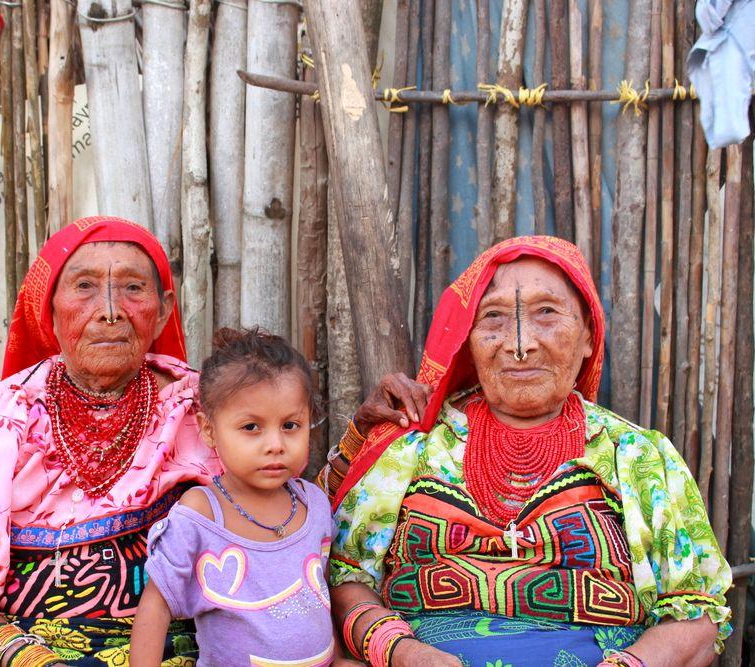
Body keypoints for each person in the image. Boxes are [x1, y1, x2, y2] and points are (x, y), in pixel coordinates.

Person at [324, 236, 732, 667]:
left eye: (547, 313)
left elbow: (700, 615)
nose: (520, 344)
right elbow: (343, 577)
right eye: (493, 317)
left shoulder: (636, 455)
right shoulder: (411, 446)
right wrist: (403, 653)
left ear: (590, 335)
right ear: (468, 339)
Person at [0, 217, 221, 666]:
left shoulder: (201, 408)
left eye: (133, 288)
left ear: (164, 308)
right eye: (84, 286)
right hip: (26, 648)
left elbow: (271, 516)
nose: (110, 310)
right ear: (49, 308)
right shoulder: (6, 415)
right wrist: (21, 657)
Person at [130, 328, 354, 667]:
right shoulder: (201, 514)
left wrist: (337, 659)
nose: (276, 444)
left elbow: (317, 593)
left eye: (291, 425)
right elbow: (156, 607)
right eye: (251, 427)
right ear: (209, 430)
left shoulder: (314, 505)